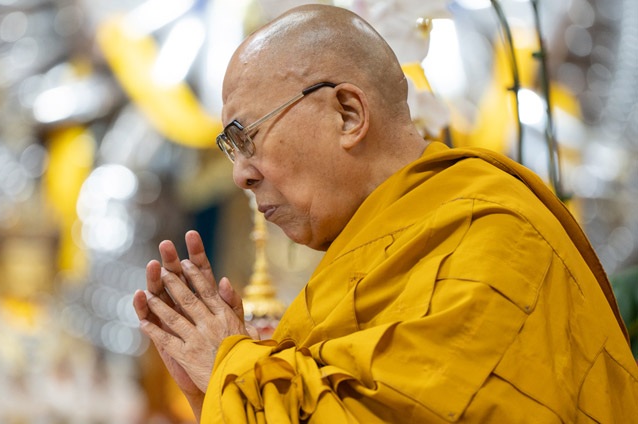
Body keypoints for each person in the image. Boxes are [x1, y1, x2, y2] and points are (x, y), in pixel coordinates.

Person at [133, 4, 638, 423]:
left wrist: (239, 375)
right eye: (229, 150)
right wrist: (224, 394)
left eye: (247, 138)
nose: (241, 175)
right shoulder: (362, 264)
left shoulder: (494, 237)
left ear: (349, 114)